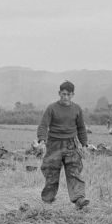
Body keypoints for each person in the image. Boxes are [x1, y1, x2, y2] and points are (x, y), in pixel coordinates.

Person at [36, 80, 90, 210]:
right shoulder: (51, 108)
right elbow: (43, 125)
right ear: (59, 93)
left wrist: (84, 145)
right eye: (63, 94)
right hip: (54, 144)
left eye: (68, 94)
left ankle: (79, 199)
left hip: (71, 144)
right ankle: (48, 199)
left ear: (73, 95)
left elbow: (81, 128)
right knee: (51, 172)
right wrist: (42, 141)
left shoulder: (76, 109)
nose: (65, 97)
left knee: (74, 171)